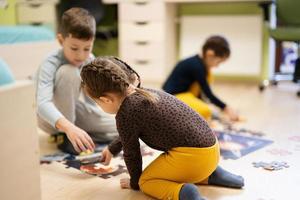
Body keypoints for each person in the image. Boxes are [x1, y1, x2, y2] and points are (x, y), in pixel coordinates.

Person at [80, 57, 244, 200]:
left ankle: (185, 193)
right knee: (185, 160)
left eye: (97, 102)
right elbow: (128, 134)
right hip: (212, 151)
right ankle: (212, 175)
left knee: (147, 181)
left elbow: (132, 155)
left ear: (106, 100)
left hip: (195, 159)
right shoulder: (144, 92)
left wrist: (135, 182)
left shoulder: (125, 114)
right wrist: (112, 149)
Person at [35, 8, 140, 154]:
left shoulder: (89, 59)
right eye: (74, 48)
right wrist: (69, 128)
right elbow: (42, 104)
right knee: (69, 71)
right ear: (60, 40)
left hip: (75, 114)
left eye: (87, 48)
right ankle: (66, 136)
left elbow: (93, 100)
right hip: (51, 119)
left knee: (124, 126)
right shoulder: (50, 63)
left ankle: (83, 134)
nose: (81, 55)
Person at [163, 35, 239, 121]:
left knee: (207, 107)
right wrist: (226, 108)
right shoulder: (196, 66)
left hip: (185, 94)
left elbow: (200, 93)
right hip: (173, 97)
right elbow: (208, 93)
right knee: (206, 111)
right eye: (218, 62)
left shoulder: (199, 64)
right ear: (209, 54)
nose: (217, 66)